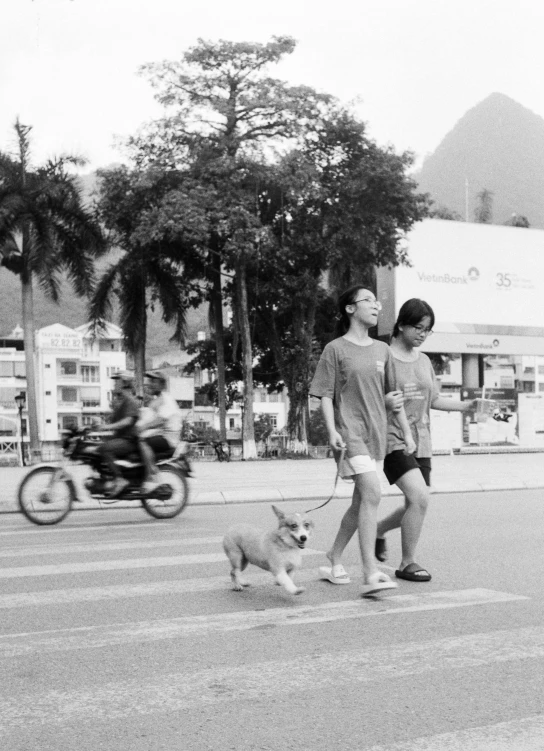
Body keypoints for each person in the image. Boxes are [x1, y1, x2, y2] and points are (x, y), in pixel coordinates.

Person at [309, 285, 416, 597]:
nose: (376, 306)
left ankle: (333, 557)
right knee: (372, 492)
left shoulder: (383, 351)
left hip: (376, 435)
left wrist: (406, 432)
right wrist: (332, 431)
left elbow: (392, 399)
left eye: (376, 301)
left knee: (360, 502)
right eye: (368, 300)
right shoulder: (335, 349)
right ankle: (370, 571)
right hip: (348, 433)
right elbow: (326, 395)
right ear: (350, 309)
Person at [376, 298, 477, 582]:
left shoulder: (423, 360)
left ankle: (377, 529)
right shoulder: (384, 357)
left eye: (427, 329)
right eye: (418, 327)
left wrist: (466, 407)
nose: (422, 334)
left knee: (415, 502)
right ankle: (407, 562)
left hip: (421, 440)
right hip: (392, 437)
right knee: (420, 497)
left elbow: (433, 399)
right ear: (401, 325)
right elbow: (371, 398)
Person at [96, 371, 140, 498]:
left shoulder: (130, 400)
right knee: (95, 447)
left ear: (125, 383)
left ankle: (119, 479)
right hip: (120, 438)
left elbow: (128, 421)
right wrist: (100, 425)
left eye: (117, 380)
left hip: (128, 440)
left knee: (104, 449)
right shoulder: (121, 402)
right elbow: (114, 422)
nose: (114, 383)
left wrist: (106, 427)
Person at [137, 371, 182, 492]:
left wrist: (143, 427)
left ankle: (152, 475)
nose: (150, 384)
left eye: (154, 382)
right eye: (150, 381)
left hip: (169, 439)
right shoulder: (158, 399)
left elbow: (160, 420)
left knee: (142, 442)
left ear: (162, 384)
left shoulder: (166, 399)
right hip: (162, 434)